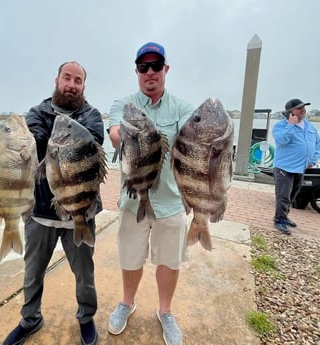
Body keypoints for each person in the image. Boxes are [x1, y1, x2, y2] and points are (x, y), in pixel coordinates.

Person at [3, 61, 104, 345]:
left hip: (81, 211)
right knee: (32, 272)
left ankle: (86, 317)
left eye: (78, 80)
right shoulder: (37, 113)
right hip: (40, 212)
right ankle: (30, 319)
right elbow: (34, 144)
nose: (72, 84)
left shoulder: (93, 116)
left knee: (85, 274)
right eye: (67, 78)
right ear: (57, 80)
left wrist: (62, 143)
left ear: (84, 86)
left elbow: (91, 147)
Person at [107, 42, 194, 345]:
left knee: (169, 262)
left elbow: (189, 138)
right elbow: (115, 133)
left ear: (166, 69)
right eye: (143, 67)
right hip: (133, 201)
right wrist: (125, 134)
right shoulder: (124, 104)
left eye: (156, 65)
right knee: (130, 259)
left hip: (170, 202)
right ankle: (127, 303)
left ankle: (165, 312)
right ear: (137, 72)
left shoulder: (182, 107)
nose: (150, 72)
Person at [272, 98, 320, 234]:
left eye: (303, 107)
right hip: (284, 167)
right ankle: (279, 220)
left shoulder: (309, 126)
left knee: (293, 195)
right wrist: (290, 125)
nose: (303, 110)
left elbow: (317, 144)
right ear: (290, 112)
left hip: (301, 167)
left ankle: (284, 216)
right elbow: (282, 140)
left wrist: (313, 159)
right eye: (299, 108)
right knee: (283, 196)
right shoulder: (280, 126)